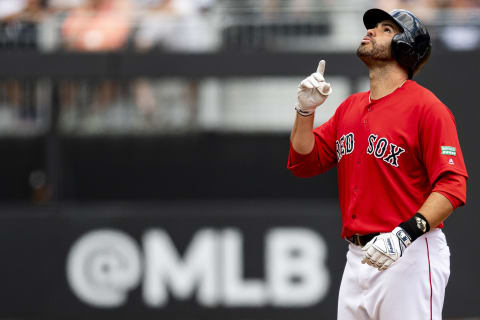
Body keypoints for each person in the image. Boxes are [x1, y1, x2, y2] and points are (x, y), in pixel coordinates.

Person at [287, 8, 468, 319]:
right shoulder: (351, 107)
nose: (370, 31)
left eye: (386, 29)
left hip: (409, 252)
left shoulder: (427, 108)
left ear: (406, 46)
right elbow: (305, 161)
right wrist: (305, 112)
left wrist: (404, 234)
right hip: (357, 257)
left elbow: (453, 185)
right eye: (373, 26)